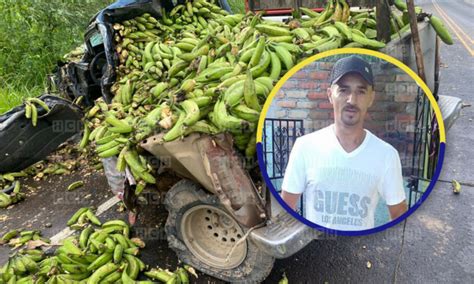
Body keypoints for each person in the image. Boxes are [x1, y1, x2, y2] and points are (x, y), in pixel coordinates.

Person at [281, 55, 408, 231]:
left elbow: (400, 216)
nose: (351, 100)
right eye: (343, 90)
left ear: (371, 98)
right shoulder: (305, 146)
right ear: (330, 95)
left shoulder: (387, 155)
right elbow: (286, 210)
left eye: (361, 91)